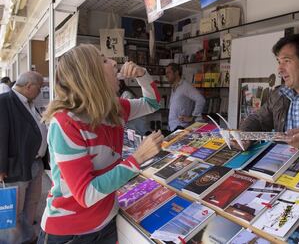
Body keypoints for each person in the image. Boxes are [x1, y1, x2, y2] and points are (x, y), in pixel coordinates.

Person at [37, 44, 163, 244]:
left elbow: (154, 103)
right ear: (90, 75)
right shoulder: (65, 123)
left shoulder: (115, 109)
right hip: (70, 233)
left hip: (107, 221)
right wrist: (137, 158)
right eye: (104, 60)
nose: (114, 63)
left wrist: (142, 75)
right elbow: (86, 195)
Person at [0, 71, 47, 244]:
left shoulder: (30, 103)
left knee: (32, 203)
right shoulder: (4, 102)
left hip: (35, 162)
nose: (41, 91)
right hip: (15, 165)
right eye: (40, 88)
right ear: (29, 86)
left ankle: (26, 237)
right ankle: (10, 241)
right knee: (13, 209)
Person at [165, 63, 206, 132]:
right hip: (172, 128)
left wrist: (193, 117)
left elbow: (201, 99)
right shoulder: (174, 87)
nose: (166, 75)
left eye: (169, 72)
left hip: (181, 127)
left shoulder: (185, 86)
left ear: (177, 72)